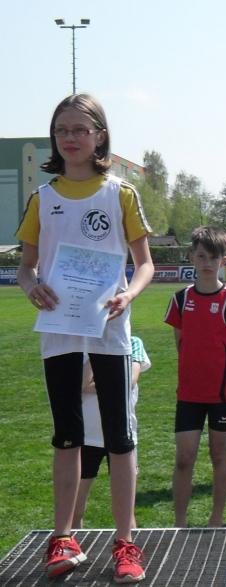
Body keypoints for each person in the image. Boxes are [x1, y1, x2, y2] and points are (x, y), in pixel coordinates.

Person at [15, 93, 153, 582]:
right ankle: (63, 537)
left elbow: (145, 264)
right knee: (67, 435)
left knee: (119, 437)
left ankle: (125, 543)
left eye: (80, 129)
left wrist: (128, 295)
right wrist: (32, 287)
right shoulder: (43, 198)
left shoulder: (120, 193)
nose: (70, 138)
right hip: (60, 333)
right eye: (62, 130)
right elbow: (26, 266)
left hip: (109, 335)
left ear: (100, 136)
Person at [164, 226, 226, 528]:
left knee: (219, 455)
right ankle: (180, 522)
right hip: (189, 393)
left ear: (223, 261)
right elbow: (180, 343)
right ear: (191, 257)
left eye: (213, 257)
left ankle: (216, 518)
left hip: (223, 395)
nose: (207, 263)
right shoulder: (180, 299)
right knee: (184, 458)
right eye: (201, 256)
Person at [72, 336, 151, 529]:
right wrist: (98, 348)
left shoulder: (132, 342)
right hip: (87, 437)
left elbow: (128, 382)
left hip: (122, 436)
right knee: (75, 509)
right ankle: (72, 545)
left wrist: (93, 385)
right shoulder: (80, 345)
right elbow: (81, 383)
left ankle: (128, 545)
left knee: (126, 513)